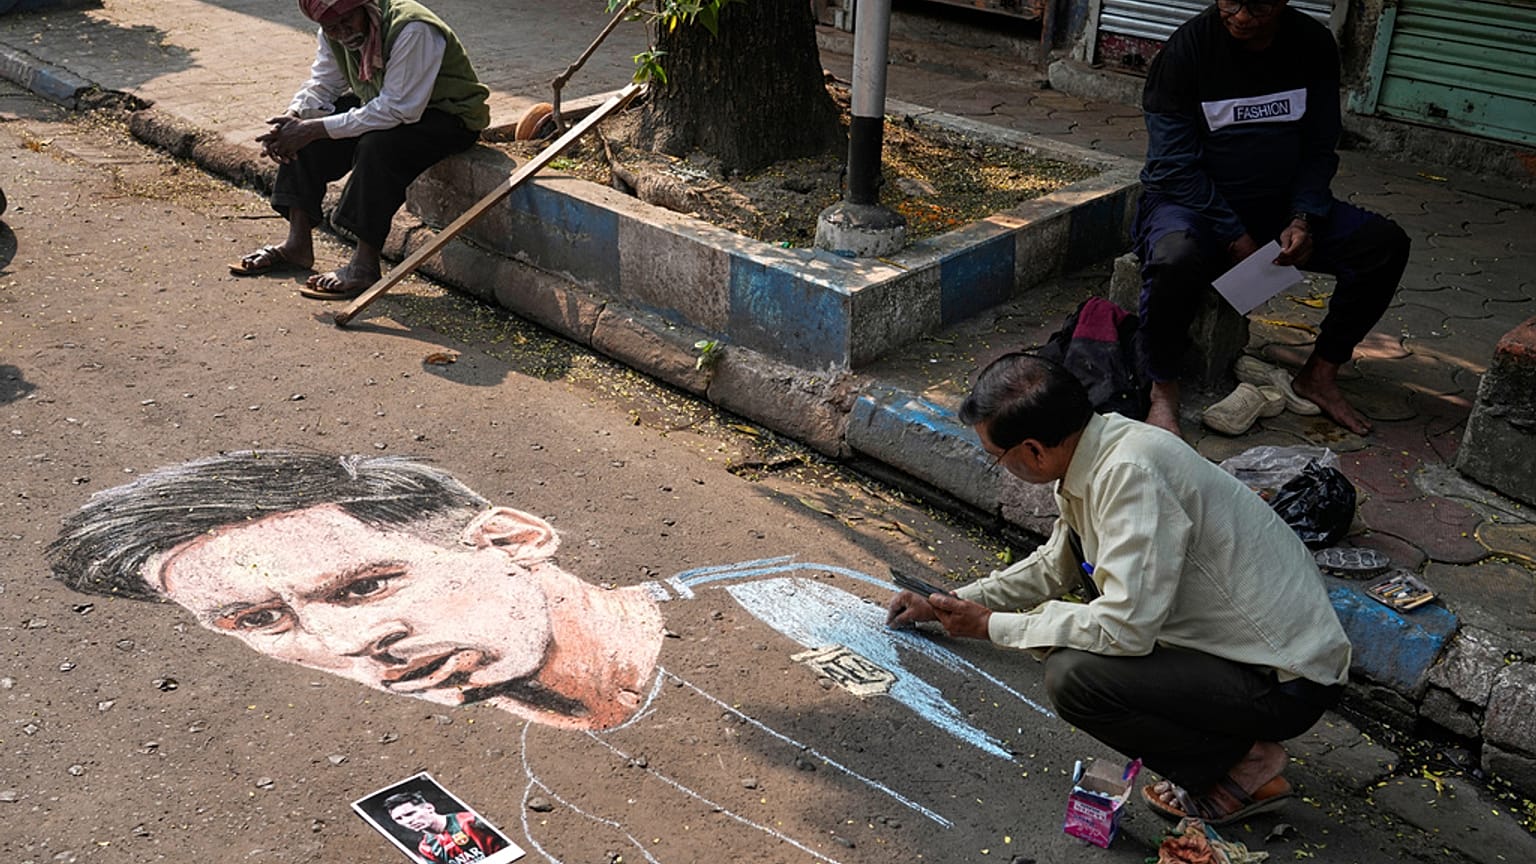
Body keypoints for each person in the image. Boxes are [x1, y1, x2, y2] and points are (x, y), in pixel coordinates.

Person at [49, 451, 1057, 862]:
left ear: (510, 536)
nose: (351, 644)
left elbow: (1039, 754)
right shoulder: (550, 803)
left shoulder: (785, 599)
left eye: (364, 586)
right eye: (255, 622)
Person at [886, 353, 1353, 826]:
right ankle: (1229, 751)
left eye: (997, 458)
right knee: (1081, 648)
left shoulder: (1130, 474)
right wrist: (953, 601)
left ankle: (1245, 764)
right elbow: (1056, 563)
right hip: (1239, 656)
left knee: (1075, 676)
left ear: (1033, 450)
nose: (1001, 467)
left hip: (1285, 681)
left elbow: (1126, 628)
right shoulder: (1094, 449)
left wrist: (993, 626)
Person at [1134, 0, 1410, 436]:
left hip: (1278, 205)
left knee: (1383, 244)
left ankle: (1319, 374)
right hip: (1192, 205)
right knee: (1174, 257)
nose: (1242, 16)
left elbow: (1321, 147)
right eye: (1231, 1)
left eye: (1259, 4)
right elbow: (1172, 165)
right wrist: (1235, 236)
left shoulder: (1312, 45)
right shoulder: (1185, 50)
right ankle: (1162, 390)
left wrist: (1302, 217)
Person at [229, 0, 490, 300]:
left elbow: (398, 110)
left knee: (377, 147)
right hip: (386, 104)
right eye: (331, 28)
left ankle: (364, 265)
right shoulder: (332, 35)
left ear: (364, 7)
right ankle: (297, 245)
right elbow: (323, 84)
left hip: (447, 115)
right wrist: (296, 117)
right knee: (303, 130)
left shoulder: (413, 28)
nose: (341, 33)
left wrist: (314, 129)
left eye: (347, 22)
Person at [385, 791, 508, 864]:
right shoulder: (426, 847)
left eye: (410, 814)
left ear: (429, 808)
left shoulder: (470, 820)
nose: (408, 821)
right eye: (399, 819)